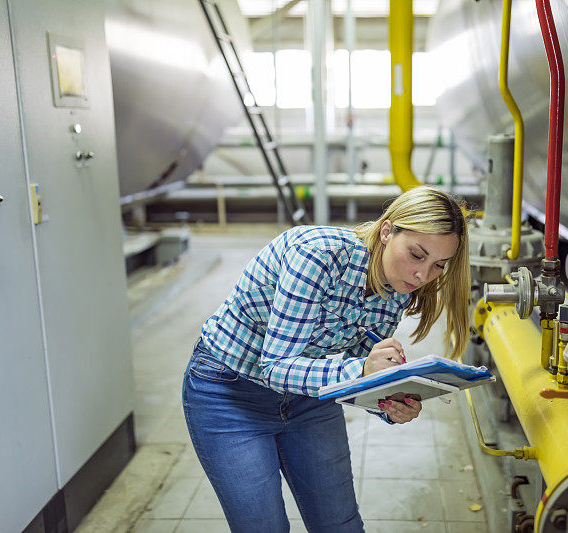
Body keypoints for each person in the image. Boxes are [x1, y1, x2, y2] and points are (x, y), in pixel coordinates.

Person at [182, 186, 471, 532]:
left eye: (438, 265)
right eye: (416, 255)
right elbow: (275, 366)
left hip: (306, 396)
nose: (423, 276)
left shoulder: (400, 287)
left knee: (340, 525)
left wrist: (391, 401)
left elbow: (364, 369)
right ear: (386, 231)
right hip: (230, 393)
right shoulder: (318, 254)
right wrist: (362, 369)